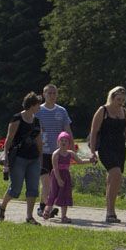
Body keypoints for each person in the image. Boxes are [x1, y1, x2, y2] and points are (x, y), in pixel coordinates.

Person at [88, 86, 126, 223]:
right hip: (106, 148)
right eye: (118, 99)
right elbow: (94, 132)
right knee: (116, 173)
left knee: (113, 179)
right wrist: (92, 152)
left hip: (119, 148)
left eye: (123, 100)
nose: (121, 102)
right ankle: (111, 211)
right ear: (112, 98)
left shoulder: (124, 112)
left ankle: (109, 210)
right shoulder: (103, 110)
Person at [0, 92, 43, 224]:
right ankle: (2, 206)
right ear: (32, 105)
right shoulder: (17, 118)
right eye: (38, 104)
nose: (40, 107)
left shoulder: (37, 121)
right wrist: (5, 157)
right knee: (16, 188)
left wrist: (41, 159)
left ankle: (29, 217)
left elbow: (39, 142)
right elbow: (9, 139)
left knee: (33, 188)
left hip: (33, 159)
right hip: (19, 158)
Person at [37, 84, 72, 218]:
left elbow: (67, 130)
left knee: (56, 181)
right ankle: (43, 207)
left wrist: (71, 146)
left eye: (54, 93)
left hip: (58, 153)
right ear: (44, 94)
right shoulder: (38, 111)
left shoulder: (62, 111)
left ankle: (48, 206)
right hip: (43, 151)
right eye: (49, 93)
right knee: (45, 180)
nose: (52, 96)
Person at [43, 131, 88, 224]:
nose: (63, 142)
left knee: (65, 194)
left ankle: (64, 216)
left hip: (66, 176)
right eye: (61, 140)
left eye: (66, 141)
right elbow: (55, 168)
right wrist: (58, 179)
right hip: (56, 176)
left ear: (69, 143)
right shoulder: (56, 154)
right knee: (53, 193)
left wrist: (90, 160)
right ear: (58, 142)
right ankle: (47, 211)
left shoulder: (70, 153)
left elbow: (80, 161)